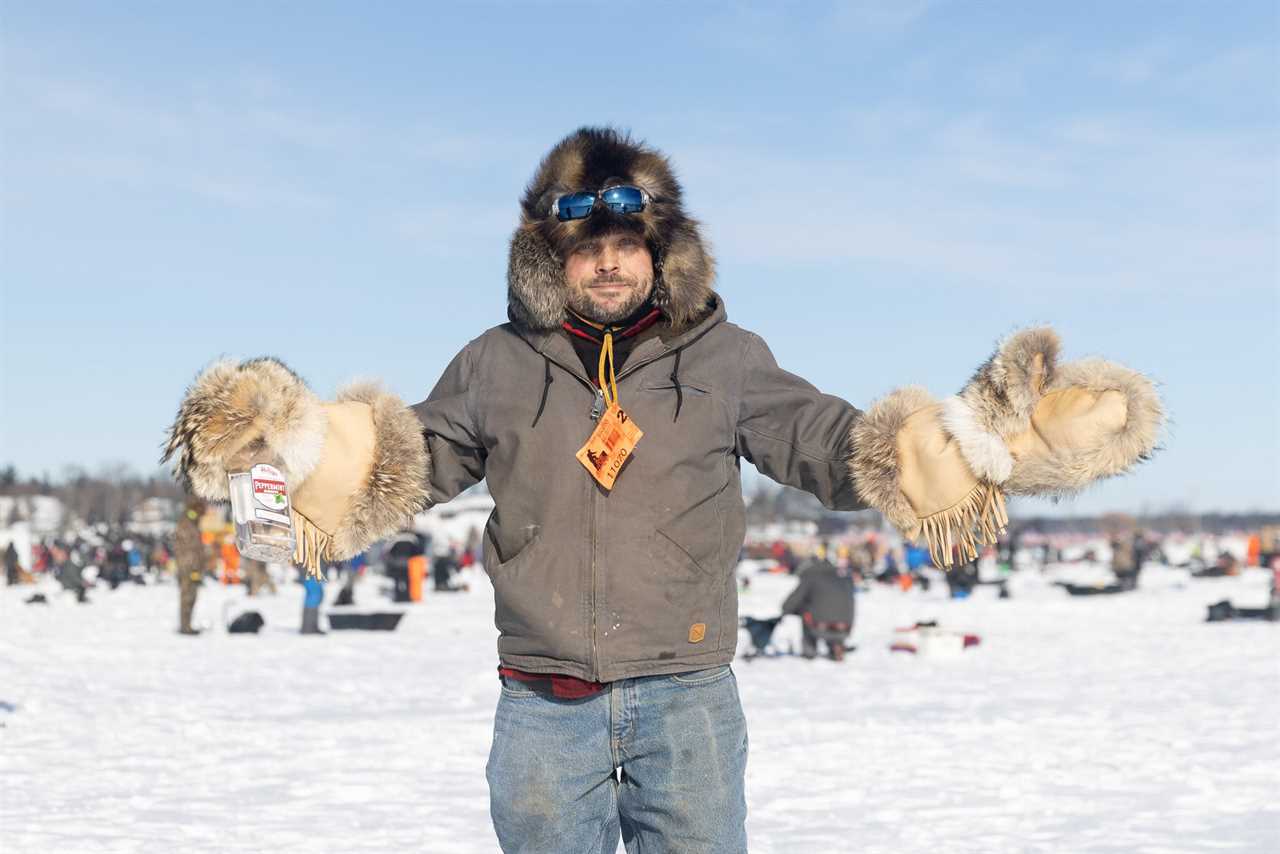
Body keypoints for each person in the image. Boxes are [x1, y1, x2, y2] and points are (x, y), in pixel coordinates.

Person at [163, 127, 1163, 852]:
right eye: (583, 246)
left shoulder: (727, 358)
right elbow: (412, 456)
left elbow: (826, 443)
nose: (605, 262)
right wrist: (301, 450)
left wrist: (971, 443)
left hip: (684, 696)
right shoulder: (497, 362)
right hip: (541, 700)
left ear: (658, 252)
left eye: (624, 242)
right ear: (552, 257)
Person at [780, 555, 855, 660]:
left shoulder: (811, 576)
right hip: (845, 627)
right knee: (831, 611)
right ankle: (836, 645)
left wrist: (787, 610)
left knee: (807, 614)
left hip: (820, 626)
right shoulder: (842, 578)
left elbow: (793, 601)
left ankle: (809, 651)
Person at [173, 496, 210, 635]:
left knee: (192, 596)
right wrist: (193, 568)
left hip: (193, 567)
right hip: (188, 567)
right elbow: (189, 549)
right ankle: (185, 626)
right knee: (187, 596)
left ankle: (187, 624)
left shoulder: (193, 524)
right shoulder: (186, 525)